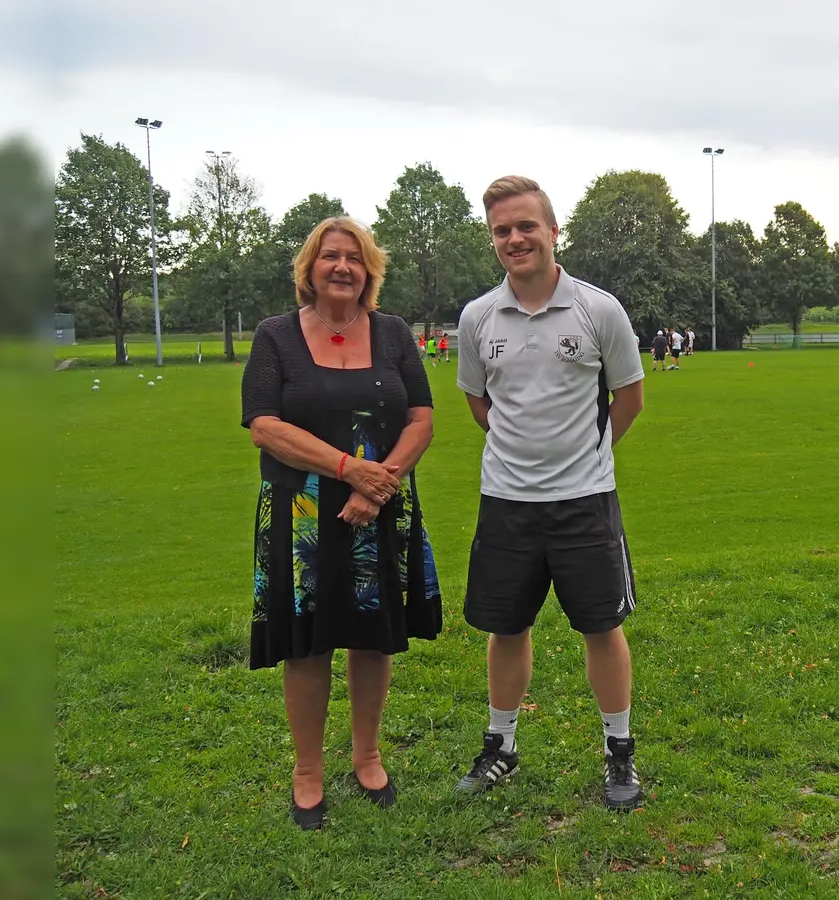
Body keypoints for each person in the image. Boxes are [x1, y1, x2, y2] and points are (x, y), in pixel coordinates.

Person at [241, 216, 442, 831]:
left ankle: (367, 755)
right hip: (303, 511)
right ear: (310, 267)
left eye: (354, 258)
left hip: (377, 507)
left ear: (369, 270)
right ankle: (307, 772)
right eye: (330, 256)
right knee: (309, 642)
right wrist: (350, 469)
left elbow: (421, 418)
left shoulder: (392, 333)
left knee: (371, 635)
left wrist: (377, 486)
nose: (342, 267)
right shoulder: (276, 337)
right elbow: (263, 424)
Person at [454, 175, 647, 811]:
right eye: (502, 230)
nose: (515, 239)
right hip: (506, 502)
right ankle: (500, 746)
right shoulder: (478, 317)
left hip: (585, 501)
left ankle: (619, 754)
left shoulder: (599, 309)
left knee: (601, 627)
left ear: (553, 230)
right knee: (506, 628)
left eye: (526, 226)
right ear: (494, 240)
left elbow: (629, 398)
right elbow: (480, 404)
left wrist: (582, 456)